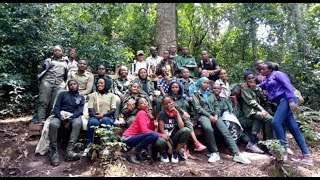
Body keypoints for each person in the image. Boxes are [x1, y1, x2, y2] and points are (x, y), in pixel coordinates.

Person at [259, 62, 313, 166]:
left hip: (286, 100)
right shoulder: (268, 78)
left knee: (275, 122)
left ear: (270, 69)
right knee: (293, 128)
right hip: (281, 102)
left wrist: (291, 100)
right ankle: (307, 156)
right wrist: (249, 85)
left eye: (263, 69)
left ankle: (281, 152)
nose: (261, 71)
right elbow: (262, 86)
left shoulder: (278, 74)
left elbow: (287, 85)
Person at [192, 77, 251, 164]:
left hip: (214, 115)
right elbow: (198, 108)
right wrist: (209, 116)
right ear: (200, 84)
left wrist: (215, 115)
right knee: (208, 128)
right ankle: (214, 152)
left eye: (208, 83)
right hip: (203, 116)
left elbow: (216, 106)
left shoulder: (211, 94)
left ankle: (237, 154)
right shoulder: (195, 95)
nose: (206, 84)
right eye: (204, 83)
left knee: (225, 130)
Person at [48, 79, 85, 166]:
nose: (73, 85)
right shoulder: (62, 94)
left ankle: (69, 150)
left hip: (73, 116)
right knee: (53, 124)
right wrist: (60, 117)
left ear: (78, 85)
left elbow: (79, 111)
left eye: (74, 84)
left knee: (78, 123)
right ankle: (53, 152)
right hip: (61, 115)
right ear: (68, 87)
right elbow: (56, 108)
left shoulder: (81, 97)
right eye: (70, 84)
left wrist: (70, 119)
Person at [121, 97, 166, 164]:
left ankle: (137, 152)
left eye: (146, 101)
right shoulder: (141, 113)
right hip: (127, 139)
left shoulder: (146, 114)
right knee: (153, 135)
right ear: (138, 107)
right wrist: (161, 135)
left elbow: (151, 129)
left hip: (135, 138)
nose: (145, 103)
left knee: (153, 135)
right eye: (142, 103)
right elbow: (145, 130)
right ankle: (132, 153)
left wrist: (151, 118)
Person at [167, 81, 207, 153]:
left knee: (187, 122)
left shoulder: (181, 98)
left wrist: (186, 114)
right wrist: (183, 112)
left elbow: (187, 108)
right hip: (171, 116)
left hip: (182, 117)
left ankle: (187, 147)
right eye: (173, 87)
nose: (175, 89)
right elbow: (173, 106)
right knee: (186, 122)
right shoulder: (168, 98)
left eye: (176, 87)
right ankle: (194, 143)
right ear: (170, 89)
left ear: (179, 88)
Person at [240, 70, 274, 154]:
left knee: (258, 121)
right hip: (251, 111)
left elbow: (263, 98)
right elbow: (251, 101)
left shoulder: (257, 87)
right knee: (269, 119)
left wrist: (256, 89)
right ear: (245, 80)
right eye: (249, 79)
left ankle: (253, 143)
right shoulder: (244, 88)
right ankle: (269, 145)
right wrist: (262, 109)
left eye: (252, 78)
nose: (251, 80)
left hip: (258, 110)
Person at [35, 45, 69, 124]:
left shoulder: (65, 62)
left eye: (59, 50)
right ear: (53, 52)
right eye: (55, 50)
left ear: (62, 52)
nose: (57, 52)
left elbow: (66, 74)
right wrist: (39, 80)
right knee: (43, 101)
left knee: (55, 103)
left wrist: (64, 83)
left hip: (59, 83)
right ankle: (41, 120)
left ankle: (50, 120)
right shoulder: (48, 60)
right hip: (47, 81)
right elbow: (41, 71)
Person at [153, 96, 191, 163]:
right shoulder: (162, 114)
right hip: (165, 139)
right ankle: (163, 153)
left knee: (186, 130)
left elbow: (181, 127)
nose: (168, 105)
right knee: (159, 141)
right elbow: (162, 131)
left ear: (173, 102)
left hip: (174, 138)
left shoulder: (176, 112)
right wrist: (170, 146)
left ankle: (175, 152)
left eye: (170, 102)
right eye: (166, 104)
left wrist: (177, 113)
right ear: (163, 105)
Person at [85, 77, 117, 146]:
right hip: (95, 116)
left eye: (102, 83)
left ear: (107, 84)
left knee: (105, 120)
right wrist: (97, 117)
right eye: (98, 83)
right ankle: (88, 145)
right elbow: (90, 109)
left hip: (107, 117)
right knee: (92, 122)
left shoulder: (112, 96)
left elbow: (113, 110)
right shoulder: (93, 95)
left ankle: (107, 145)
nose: (99, 84)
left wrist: (103, 116)